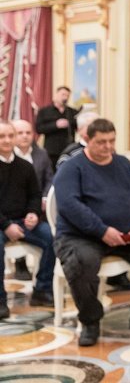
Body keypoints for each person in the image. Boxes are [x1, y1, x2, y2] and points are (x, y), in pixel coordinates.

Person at [53, 118, 130, 346]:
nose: (108, 147)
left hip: (128, 233)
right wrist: (102, 230)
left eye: (111, 141)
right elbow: (70, 206)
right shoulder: (71, 167)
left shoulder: (124, 164)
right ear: (87, 140)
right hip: (81, 236)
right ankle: (90, 321)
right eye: (101, 142)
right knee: (82, 262)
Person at [0, 120, 56, 318]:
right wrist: (6, 226)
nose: (7, 140)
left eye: (10, 136)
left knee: (52, 238)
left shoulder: (25, 166)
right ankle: (0, 300)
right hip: (1, 224)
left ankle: (42, 289)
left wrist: (33, 213)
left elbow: (34, 194)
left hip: (24, 220)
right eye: (1, 136)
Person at [11, 118, 54, 281]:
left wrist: (44, 198)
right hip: (11, 211)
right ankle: (20, 264)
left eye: (28, 132)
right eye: (20, 133)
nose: (24, 136)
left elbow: (49, 179)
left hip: (35, 207)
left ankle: (43, 286)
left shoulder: (41, 154)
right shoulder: (7, 156)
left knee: (52, 235)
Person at [35, 86, 80, 169]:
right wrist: (55, 125)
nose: (65, 97)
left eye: (67, 96)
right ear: (55, 95)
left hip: (69, 149)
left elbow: (78, 127)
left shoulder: (72, 111)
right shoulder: (44, 111)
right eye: (63, 94)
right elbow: (39, 129)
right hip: (52, 151)